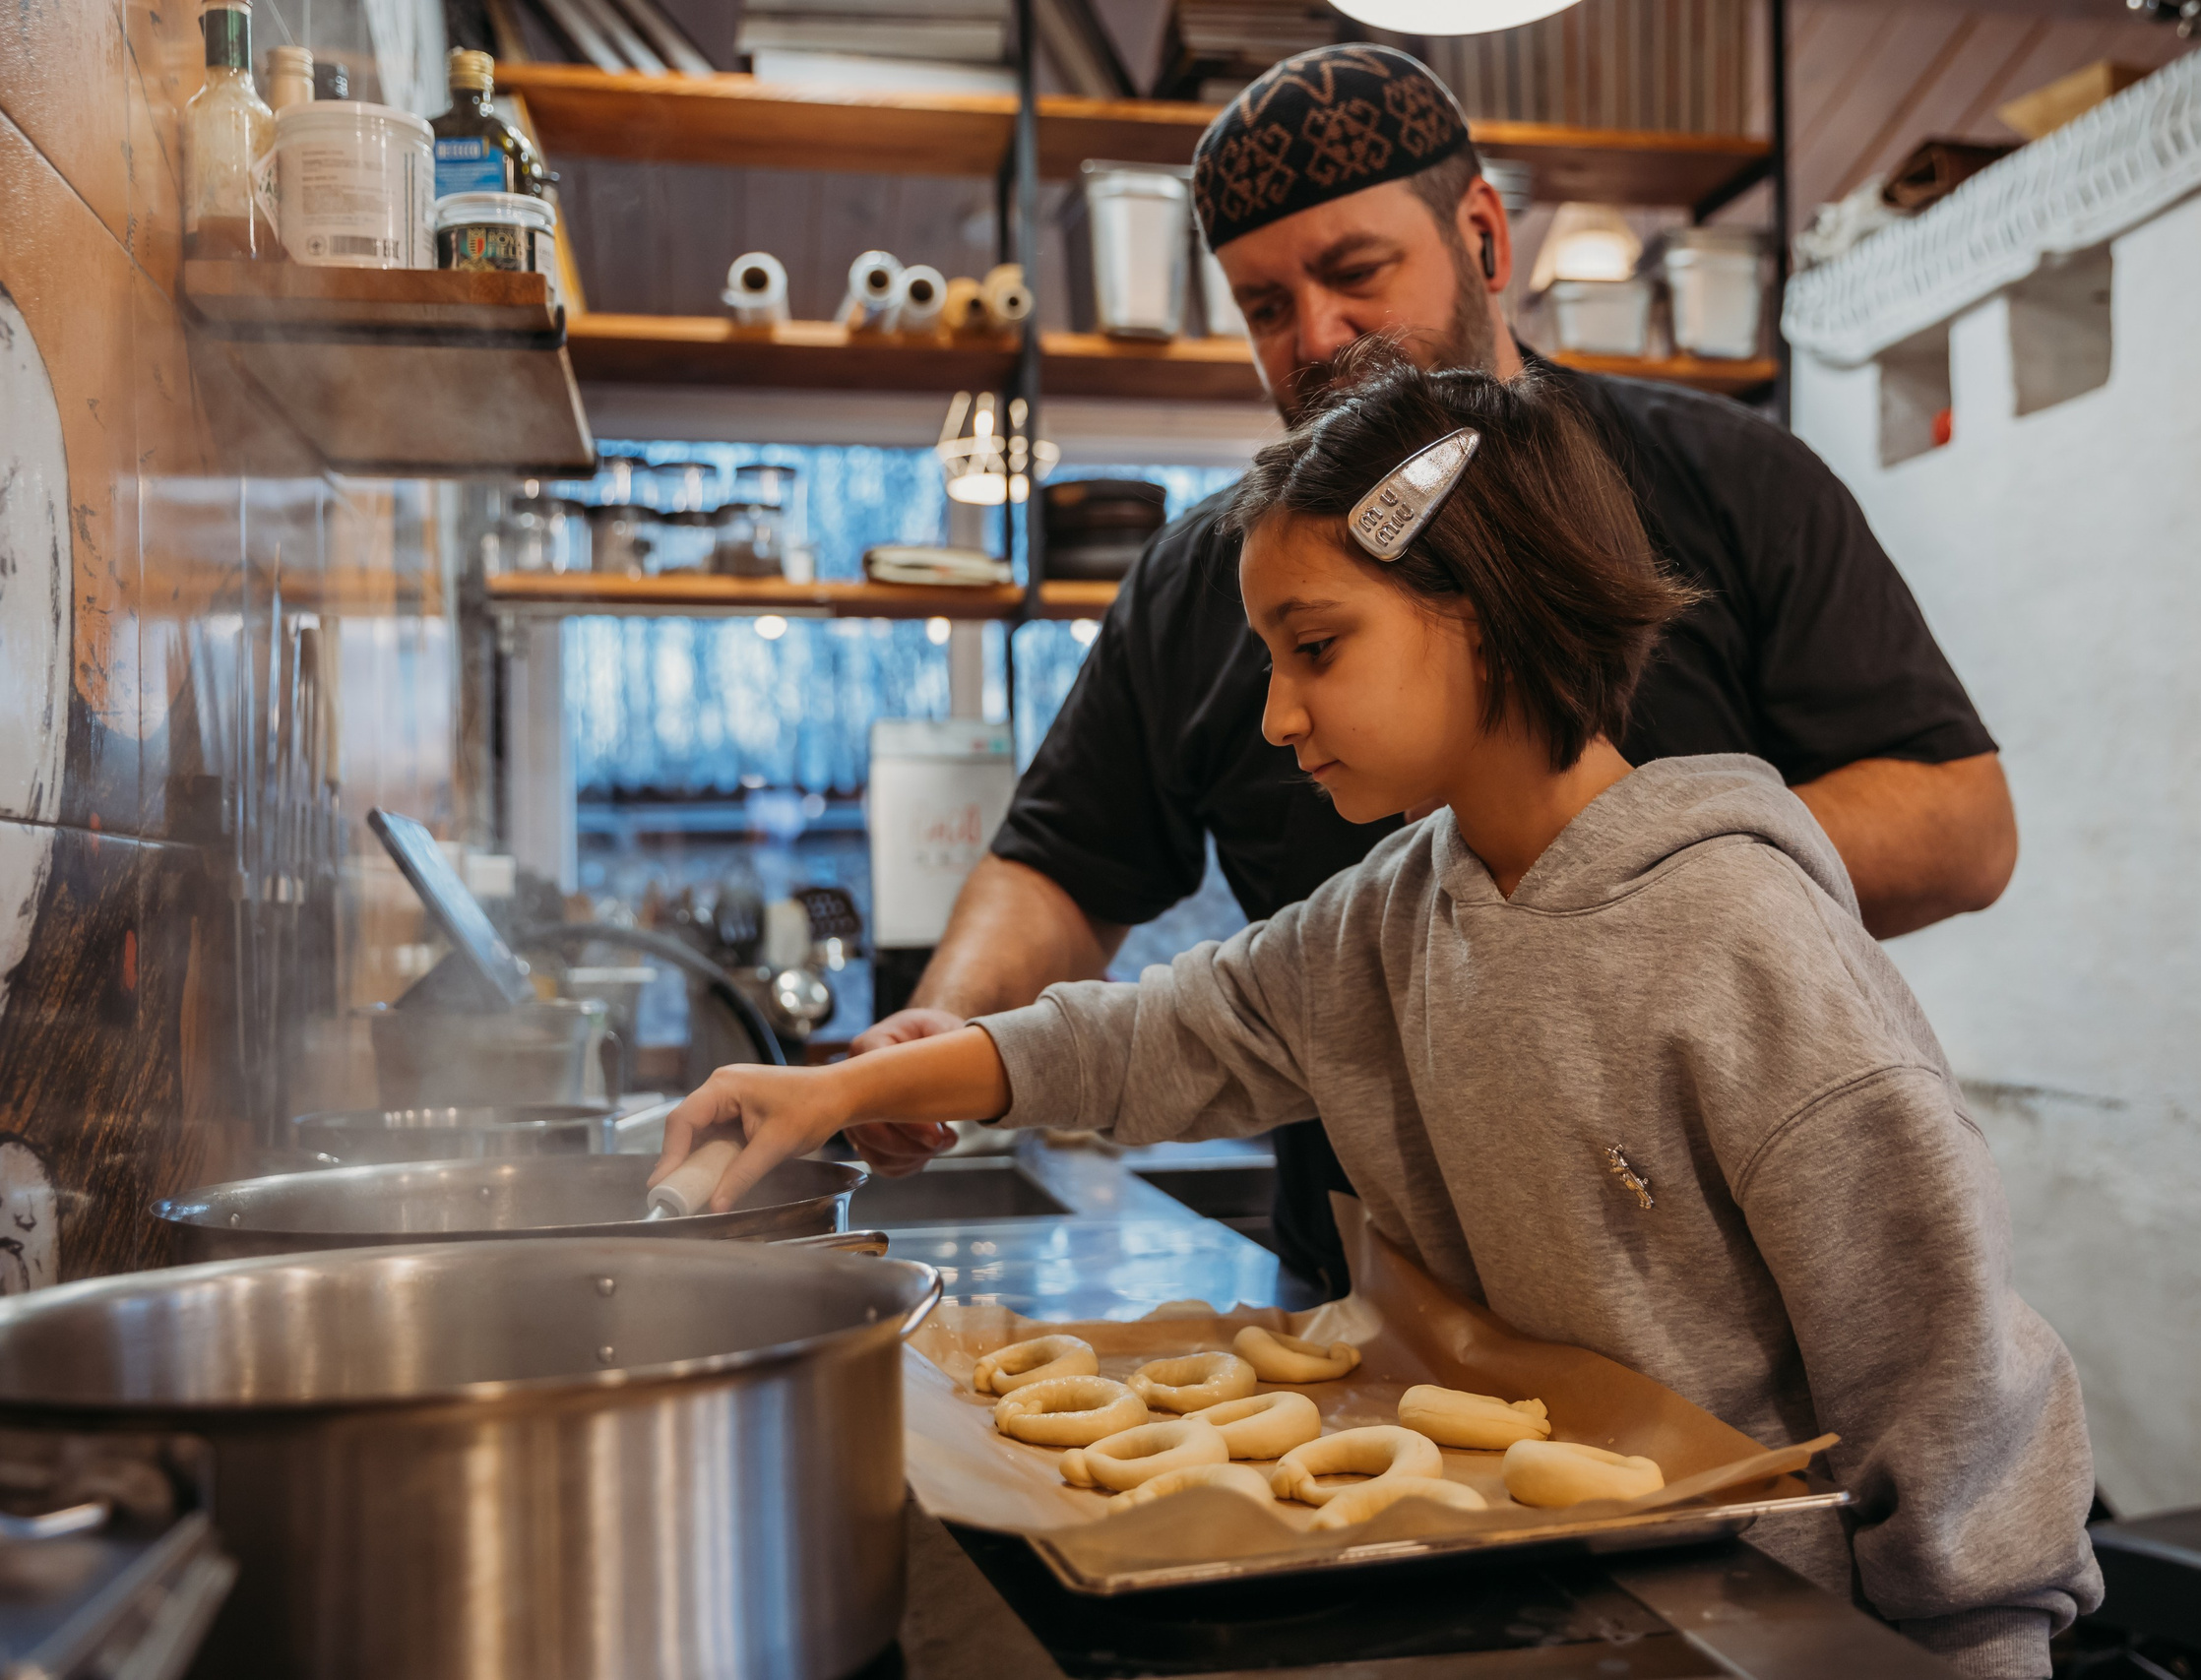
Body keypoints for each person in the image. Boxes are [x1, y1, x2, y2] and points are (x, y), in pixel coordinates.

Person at [655, 354, 2101, 1678]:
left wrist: (1977, 1649)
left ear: (1486, 617)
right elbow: (1167, 1033)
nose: (1276, 716)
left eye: (1316, 647)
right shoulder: (1402, 908)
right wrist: (843, 1091)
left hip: (1758, 1632)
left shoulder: (1744, 944)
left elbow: (1949, 1398)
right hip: (1541, 1602)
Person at [854, 42, 2019, 1296]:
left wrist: (1609, 889)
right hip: (1361, 1308)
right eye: (1263, 306)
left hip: (1697, 1326)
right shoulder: (1203, 584)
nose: (1316, 336)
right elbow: (1065, 865)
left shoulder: (1733, 482)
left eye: (1356, 272)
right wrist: (944, 1032)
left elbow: (1960, 824)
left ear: (1483, 236)